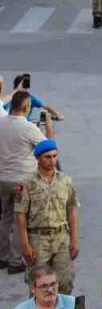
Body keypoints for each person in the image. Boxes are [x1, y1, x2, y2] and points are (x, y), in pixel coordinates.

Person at [14, 140, 78, 294]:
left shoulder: (66, 181)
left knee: (66, 282)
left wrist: (74, 239)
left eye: (55, 156)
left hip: (61, 237)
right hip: (37, 239)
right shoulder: (26, 183)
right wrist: (24, 244)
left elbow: (72, 211)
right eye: (47, 157)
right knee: (38, 286)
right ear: (38, 159)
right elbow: (20, 214)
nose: (52, 160)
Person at [0, 92, 47, 274]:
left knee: (6, 217)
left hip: (2, 179)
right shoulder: (28, 128)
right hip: (22, 180)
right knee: (22, 219)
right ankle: (16, 260)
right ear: (27, 107)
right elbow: (46, 147)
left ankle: (3, 256)